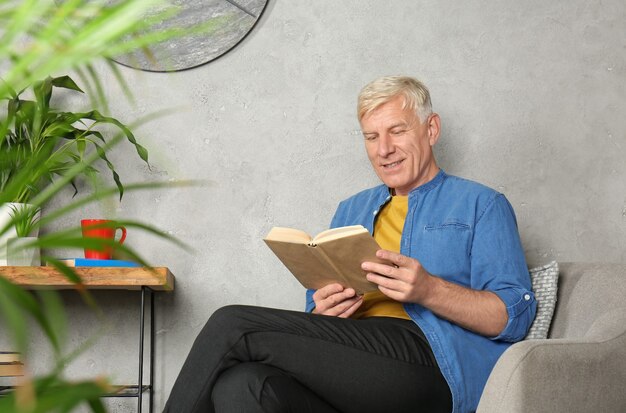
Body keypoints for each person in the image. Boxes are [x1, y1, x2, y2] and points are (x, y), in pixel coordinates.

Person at [163, 76, 537, 413]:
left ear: (431, 129)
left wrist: (429, 289)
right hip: (355, 366)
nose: (384, 149)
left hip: (429, 365)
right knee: (242, 384)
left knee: (234, 324)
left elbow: (513, 317)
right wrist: (323, 312)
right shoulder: (351, 210)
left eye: (397, 131)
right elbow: (317, 314)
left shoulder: (481, 204)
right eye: (371, 137)